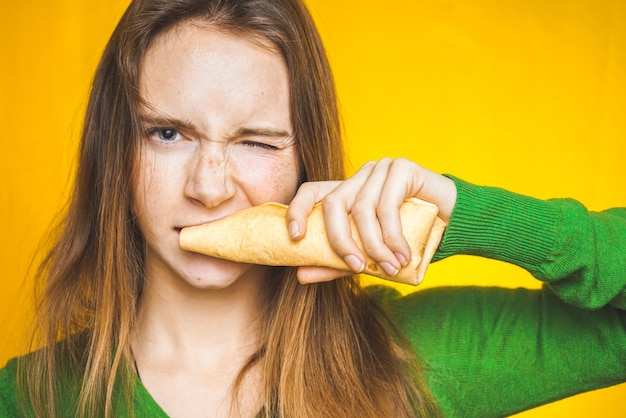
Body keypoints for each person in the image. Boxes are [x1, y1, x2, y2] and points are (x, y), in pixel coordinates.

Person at [1, 0, 625, 417]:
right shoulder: (26, 397)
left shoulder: (408, 358)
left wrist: (461, 215)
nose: (211, 188)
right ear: (113, 153)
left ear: (305, 161)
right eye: (168, 133)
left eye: (257, 141)